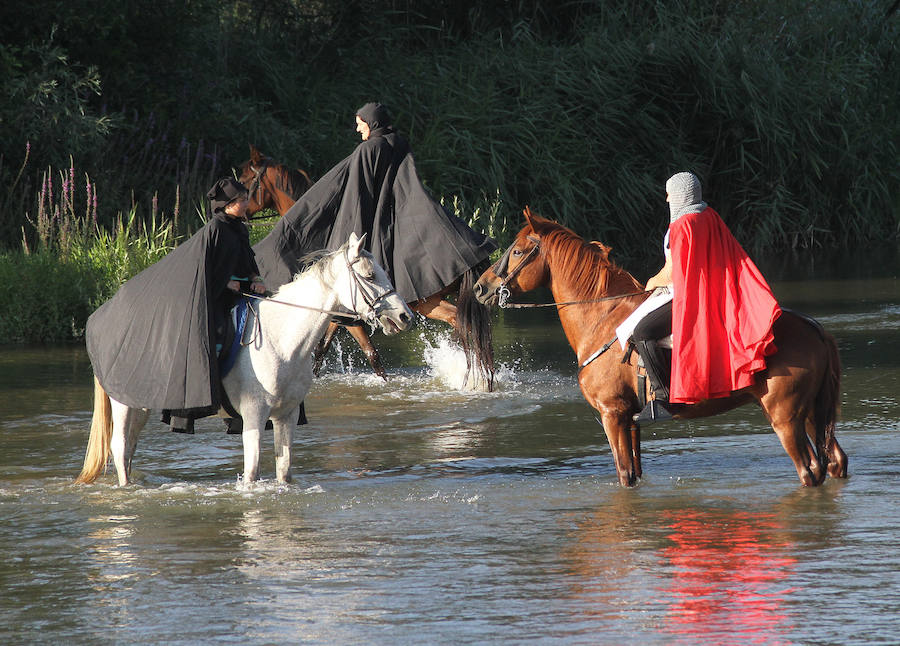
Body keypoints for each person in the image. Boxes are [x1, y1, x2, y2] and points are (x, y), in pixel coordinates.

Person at [253, 102, 496, 301]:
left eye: (361, 125)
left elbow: (350, 192)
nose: (358, 130)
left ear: (372, 123)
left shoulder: (367, 150)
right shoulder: (398, 142)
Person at [85, 177, 266, 433]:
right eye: (241, 200)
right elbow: (204, 269)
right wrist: (226, 284)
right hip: (216, 295)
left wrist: (256, 279)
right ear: (226, 205)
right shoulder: (214, 229)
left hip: (243, 293)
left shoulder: (241, 229)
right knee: (213, 334)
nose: (247, 203)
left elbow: (249, 261)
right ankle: (213, 390)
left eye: (246, 198)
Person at [630, 171, 782, 423]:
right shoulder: (709, 215)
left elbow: (675, 273)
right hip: (713, 293)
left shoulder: (681, 226)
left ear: (679, 194)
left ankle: (662, 398)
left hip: (691, 297)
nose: (667, 199)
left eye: (669, 193)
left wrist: (650, 283)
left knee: (641, 332)